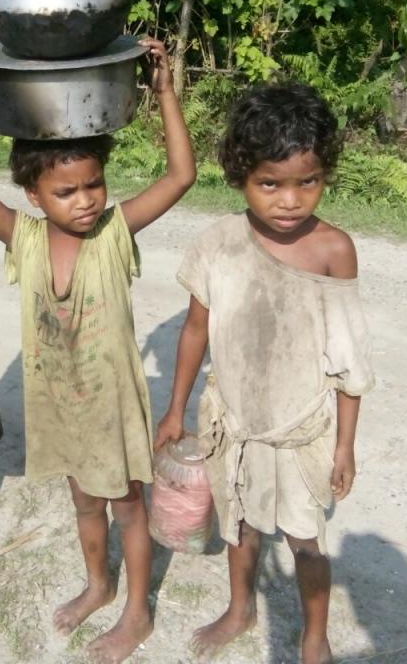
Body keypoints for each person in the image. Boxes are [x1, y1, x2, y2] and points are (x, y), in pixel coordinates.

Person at [0, 38, 196, 663]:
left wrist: (163, 90)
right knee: (84, 501)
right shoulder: (24, 238)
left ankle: (137, 613)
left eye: (94, 184)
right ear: (34, 196)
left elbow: (181, 176)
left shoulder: (113, 233)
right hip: (58, 402)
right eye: (66, 192)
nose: (85, 200)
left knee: (127, 507)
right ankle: (98, 584)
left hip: (110, 405)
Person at [154, 83, 374, 663]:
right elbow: (195, 331)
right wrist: (175, 409)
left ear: (325, 175)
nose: (290, 200)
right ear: (240, 176)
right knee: (240, 524)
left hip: (299, 431)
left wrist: (345, 446)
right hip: (235, 423)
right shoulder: (218, 244)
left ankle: (314, 635)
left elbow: (349, 359)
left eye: (308, 182)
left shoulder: (333, 250)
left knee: (306, 541)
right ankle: (240, 608)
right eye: (270, 183)